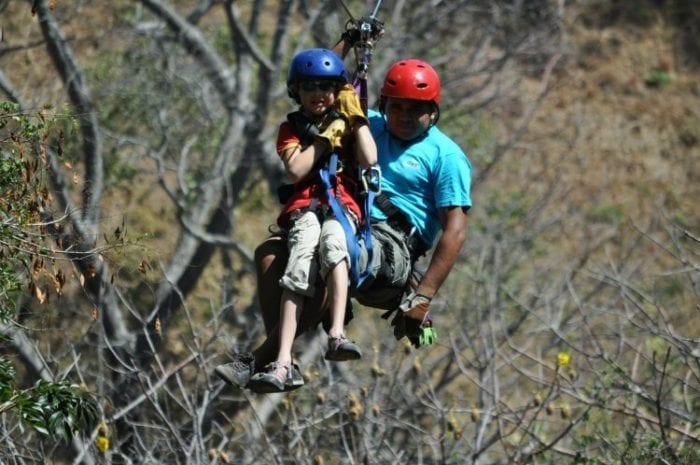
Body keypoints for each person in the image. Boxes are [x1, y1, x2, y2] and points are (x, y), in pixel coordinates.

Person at [215, 56, 471, 392]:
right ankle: (285, 358)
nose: (404, 116)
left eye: (415, 109)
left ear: (433, 111)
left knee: (328, 254)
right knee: (269, 254)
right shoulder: (372, 124)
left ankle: (260, 358)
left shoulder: (446, 157)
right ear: (385, 105)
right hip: (344, 214)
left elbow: (455, 230)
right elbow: (319, 82)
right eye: (397, 107)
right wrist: (349, 46)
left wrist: (422, 296)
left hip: (391, 244)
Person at [236, 48, 378, 393]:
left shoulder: (348, 123)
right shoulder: (291, 128)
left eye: (327, 87)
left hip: (343, 205)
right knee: (299, 263)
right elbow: (296, 169)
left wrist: (354, 118)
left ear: (338, 91)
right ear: (296, 91)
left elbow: (370, 157)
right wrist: (323, 138)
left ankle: (337, 334)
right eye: (309, 87)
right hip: (306, 207)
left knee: (335, 245)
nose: (319, 94)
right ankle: (283, 358)